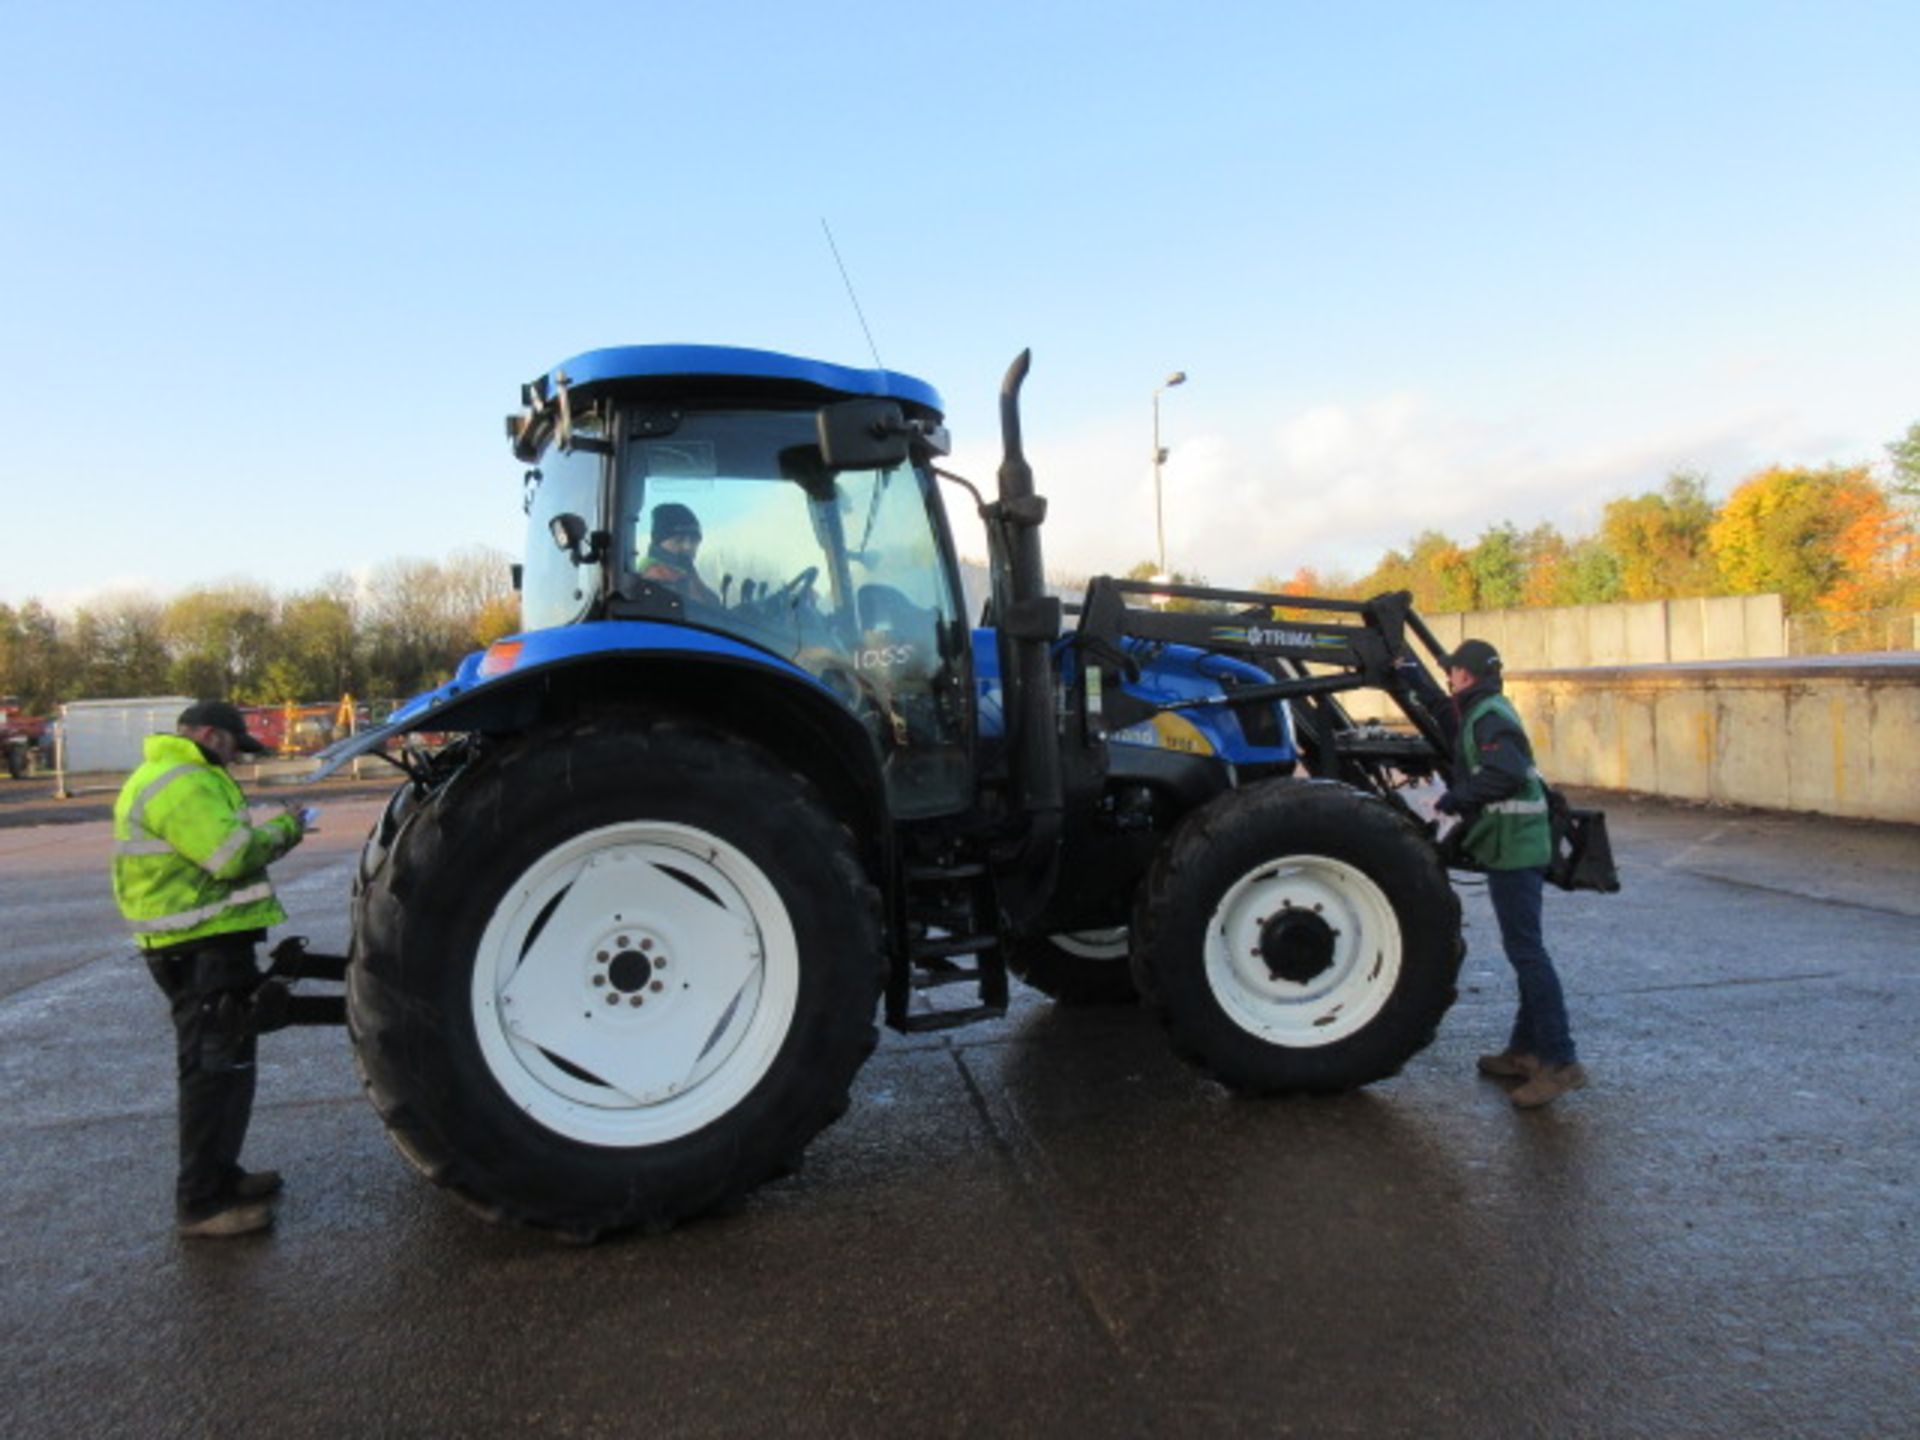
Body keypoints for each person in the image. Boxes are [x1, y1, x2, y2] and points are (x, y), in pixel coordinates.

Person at [111, 700, 311, 1237]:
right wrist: (288, 828)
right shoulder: (182, 781)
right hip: (196, 947)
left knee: (230, 1065)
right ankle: (201, 1203)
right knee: (210, 1069)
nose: (232, 757)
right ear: (205, 733)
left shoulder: (180, 776)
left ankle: (223, 1176)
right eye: (230, 744)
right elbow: (229, 855)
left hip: (207, 941)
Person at [1434, 640, 1588, 1109]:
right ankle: (1524, 1051)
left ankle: (1561, 1063)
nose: (1448, 678)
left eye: (1453, 671)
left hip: (1517, 848)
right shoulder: (1484, 710)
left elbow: (1507, 771)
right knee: (1525, 948)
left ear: (1468, 675)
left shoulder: (1489, 716)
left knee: (1527, 951)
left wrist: (1455, 800)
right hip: (1513, 845)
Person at [638, 502, 721, 605]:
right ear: (659, 542)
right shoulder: (654, 580)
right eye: (679, 540)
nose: (688, 546)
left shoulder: (686, 574)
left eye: (694, 540)